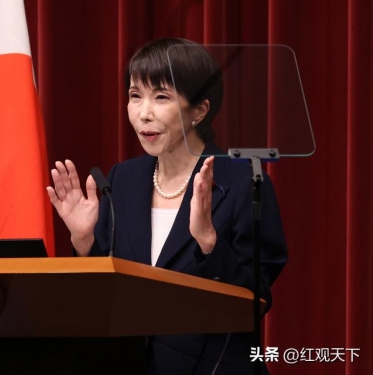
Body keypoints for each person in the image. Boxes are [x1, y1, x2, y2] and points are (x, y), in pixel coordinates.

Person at [47, 38, 288, 375]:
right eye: (135, 96)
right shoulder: (123, 179)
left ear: (199, 111)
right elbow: (103, 294)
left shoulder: (243, 181)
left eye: (161, 97)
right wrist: (84, 240)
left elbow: (255, 301)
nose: (143, 113)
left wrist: (209, 243)